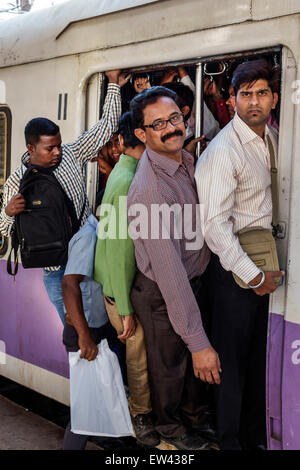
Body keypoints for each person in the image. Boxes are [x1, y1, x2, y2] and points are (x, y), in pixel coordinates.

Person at [195, 59, 284, 450]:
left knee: (256, 360)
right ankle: (230, 442)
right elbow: (215, 227)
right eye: (245, 94)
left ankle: (252, 439)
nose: (253, 102)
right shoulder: (223, 151)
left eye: (261, 93)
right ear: (231, 100)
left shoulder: (273, 137)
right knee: (232, 366)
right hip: (235, 272)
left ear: (274, 99)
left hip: (261, 263)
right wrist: (253, 276)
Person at [127, 86, 220, 450]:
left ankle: (196, 419)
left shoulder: (186, 160)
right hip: (162, 290)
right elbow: (169, 274)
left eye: (175, 118)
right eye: (158, 124)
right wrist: (197, 342)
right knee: (171, 365)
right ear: (142, 134)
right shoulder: (149, 190)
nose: (171, 128)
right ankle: (169, 428)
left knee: (194, 365)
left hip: (192, 277)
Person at [0, 69, 125, 324]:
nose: (57, 151)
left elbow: (105, 128)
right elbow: (3, 228)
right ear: (31, 148)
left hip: (89, 261)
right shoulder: (16, 183)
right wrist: (8, 212)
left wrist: (113, 84)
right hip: (55, 273)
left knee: (100, 327)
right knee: (77, 337)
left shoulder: (71, 153)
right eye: (50, 148)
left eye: (58, 144)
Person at [94, 112, 159, 448]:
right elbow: (120, 253)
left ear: (120, 141)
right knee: (138, 355)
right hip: (120, 291)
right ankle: (141, 416)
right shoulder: (130, 183)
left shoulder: (121, 171)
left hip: (113, 286)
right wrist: (124, 305)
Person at [61, 213, 119, 450]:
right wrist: (85, 337)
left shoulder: (102, 233)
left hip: (97, 327)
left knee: (98, 402)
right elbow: (69, 284)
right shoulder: (89, 236)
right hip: (84, 333)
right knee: (84, 410)